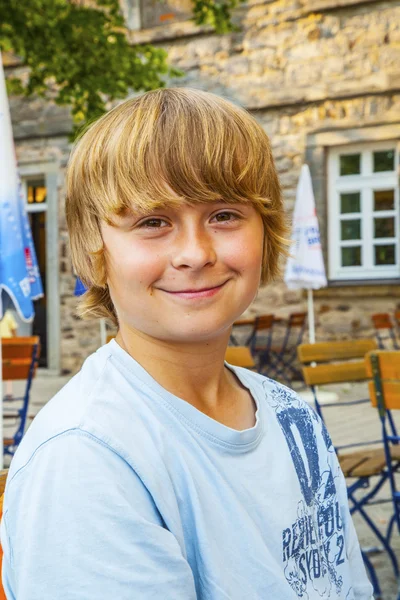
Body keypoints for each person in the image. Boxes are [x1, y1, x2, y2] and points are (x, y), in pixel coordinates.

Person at [1, 89, 373, 599]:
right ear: (95, 254)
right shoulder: (88, 458)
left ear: (266, 231)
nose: (195, 254)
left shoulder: (292, 416)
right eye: (153, 222)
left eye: (224, 215)